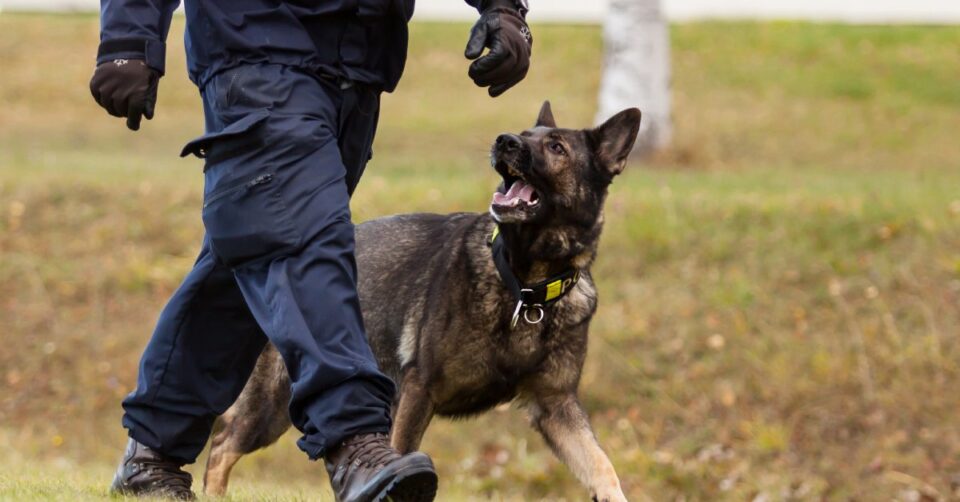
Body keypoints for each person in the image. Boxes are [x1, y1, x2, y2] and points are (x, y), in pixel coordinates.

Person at [88, 0, 532, 500]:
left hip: (358, 62)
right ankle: (355, 442)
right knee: (297, 239)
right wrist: (128, 39)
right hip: (254, 43)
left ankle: (152, 453)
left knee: (249, 254)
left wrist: (503, 9)